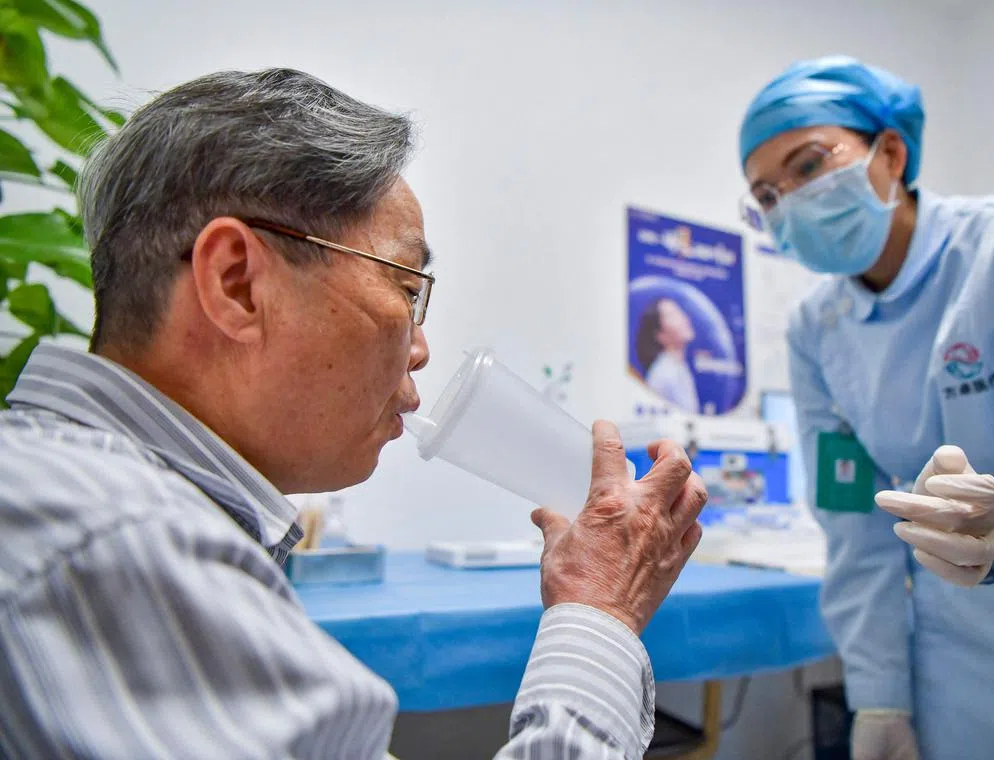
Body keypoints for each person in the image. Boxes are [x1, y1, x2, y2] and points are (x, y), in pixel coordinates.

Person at [0, 69, 708, 759]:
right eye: (406, 288)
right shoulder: (117, 544)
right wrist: (600, 611)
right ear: (238, 283)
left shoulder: (75, 491)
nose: (422, 347)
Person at [737, 56, 994, 760]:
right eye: (766, 196)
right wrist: (879, 694)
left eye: (807, 166)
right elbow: (854, 527)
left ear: (890, 152)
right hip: (951, 664)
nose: (789, 203)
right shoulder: (815, 333)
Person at [636, 297, 700, 413]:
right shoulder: (663, 373)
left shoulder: (679, 367)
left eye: (680, 312)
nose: (684, 319)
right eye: (672, 316)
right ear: (659, 335)